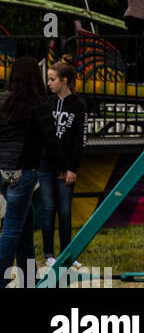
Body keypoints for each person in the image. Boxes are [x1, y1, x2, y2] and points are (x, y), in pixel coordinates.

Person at [0, 57, 67, 288]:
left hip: (3, 171)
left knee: (24, 223)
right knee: (11, 227)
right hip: (24, 170)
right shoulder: (39, 104)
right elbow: (51, 139)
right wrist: (64, 166)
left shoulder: (3, 101)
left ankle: (28, 276)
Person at [38, 60, 87, 273]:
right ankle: (49, 254)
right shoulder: (47, 103)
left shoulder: (78, 105)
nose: (49, 83)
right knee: (48, 209)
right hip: (46, 165)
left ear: (64, 80)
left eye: (52, 79)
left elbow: (80, 139)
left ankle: (67, 253)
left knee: (65, 211)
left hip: (66, 167)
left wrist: (72, 168)